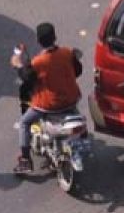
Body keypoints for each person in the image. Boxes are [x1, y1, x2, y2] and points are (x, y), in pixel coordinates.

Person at [12, 22, 83, 175]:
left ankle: (25, 160)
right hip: (71, 99)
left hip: (48, 105)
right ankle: (80, 138)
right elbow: (78, 71)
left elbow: (27, 77)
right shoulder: (67, 53)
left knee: (24, 122)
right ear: (55, 37)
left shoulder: (38, 62)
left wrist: (18, 64)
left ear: (38, 41)